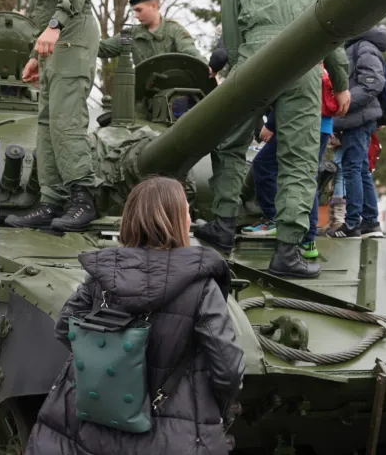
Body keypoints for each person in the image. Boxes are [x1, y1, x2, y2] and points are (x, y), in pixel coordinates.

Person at [23, 176, 246, 455]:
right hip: (175, 435)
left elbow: (65, 327)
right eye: (187, 212)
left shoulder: (103, 276)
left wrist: (107, 365)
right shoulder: (201, 285)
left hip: (95, 425)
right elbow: (228, 368)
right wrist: (215, 408)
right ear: (178, 220)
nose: (190, 219)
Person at [195, 0, 350, 279]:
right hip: (304, 65)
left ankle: (223, 225)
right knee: (299, 160)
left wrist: (244, 88)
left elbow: (233, 46)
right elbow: (331, 30)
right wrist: (341, 83)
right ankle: (288, 253)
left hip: (253, 64)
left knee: (230, 145)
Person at [0, 0, 101, 233]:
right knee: (47, 123)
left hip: (73, 37)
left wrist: (55, 26)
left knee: (66, 120)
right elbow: (44, 9)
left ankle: (83, 199)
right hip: (54, 47)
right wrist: (35, 55)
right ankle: (51, 201)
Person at [243, 66, 340, 262]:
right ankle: (308, 241)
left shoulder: (302, 60)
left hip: (300, 122)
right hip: (319, 124)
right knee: (307, 175)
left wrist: (271, 124)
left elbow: (290, 90)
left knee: (264, 166)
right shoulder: (321, 61)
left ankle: (275, 219)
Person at [329, 26, 386, 238]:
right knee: (360, 169)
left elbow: (372, 82)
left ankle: (352, 224)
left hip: (358, 118)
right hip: (355, 119)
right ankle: (370, 221)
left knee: (352, 168)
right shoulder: (358, 46)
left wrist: (342, 104)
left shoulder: (363, 47)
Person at [97, 0, 204, 65]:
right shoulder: (130, 35)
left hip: (174, 87)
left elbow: (191, 53)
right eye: (135, 11)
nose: (136, 15)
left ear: (153, 6)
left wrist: (207, 68)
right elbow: (103, 49)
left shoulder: (174, 30)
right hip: (144, 88)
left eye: (139, 10)